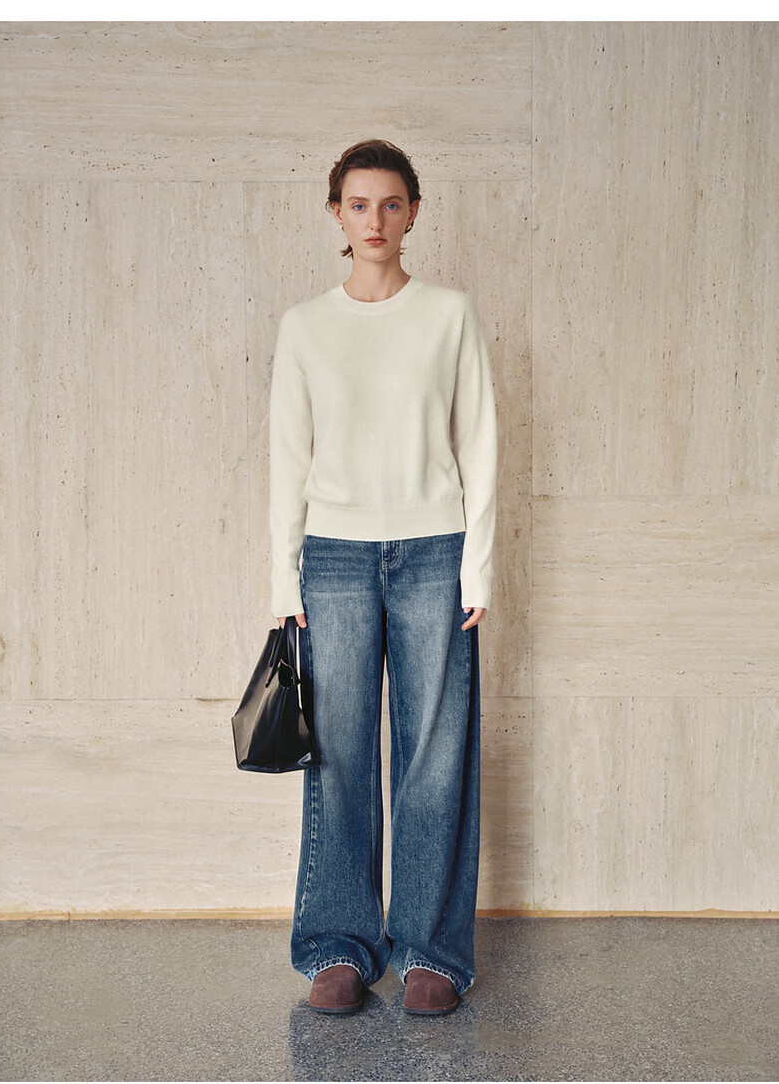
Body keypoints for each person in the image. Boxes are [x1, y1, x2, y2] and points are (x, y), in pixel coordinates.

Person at [268, 138, 497, 1016]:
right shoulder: (305, 326)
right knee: (339, 753)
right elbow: (287, 458)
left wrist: (478, 565)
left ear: (413, 213)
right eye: (359, 204)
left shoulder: (449, 315)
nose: (375, 220)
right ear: (337, 212)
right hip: (333, 554)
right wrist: (282, 579)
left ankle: (431, 951)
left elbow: (480, 442)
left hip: (435, 549)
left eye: (391, 204)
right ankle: (338, 946)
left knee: (435, 756)